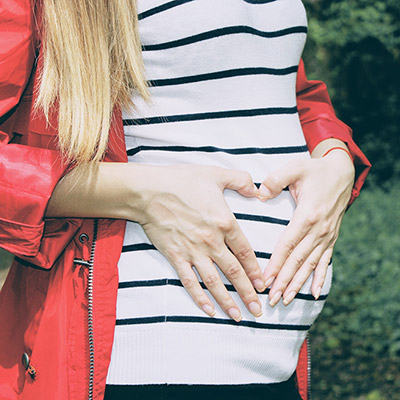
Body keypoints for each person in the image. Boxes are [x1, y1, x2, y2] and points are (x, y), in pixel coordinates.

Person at [0, 1, 370, 399]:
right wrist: (144, 194)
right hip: (144, 352)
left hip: (276, 357)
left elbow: (266, 78)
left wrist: (334, 157)